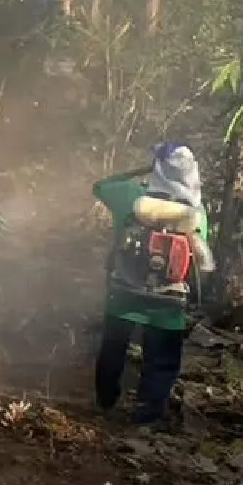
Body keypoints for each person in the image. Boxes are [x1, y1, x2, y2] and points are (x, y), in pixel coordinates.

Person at [92, 144, 214, 426]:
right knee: (162, 359)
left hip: (124, 291)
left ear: (157, 168)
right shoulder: (196, 214)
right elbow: (200, 264)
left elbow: (100, 186)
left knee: (113, 347)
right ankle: (147, 415)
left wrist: (142, 170)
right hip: (169, 301)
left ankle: (105, 401)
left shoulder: (130, 196)